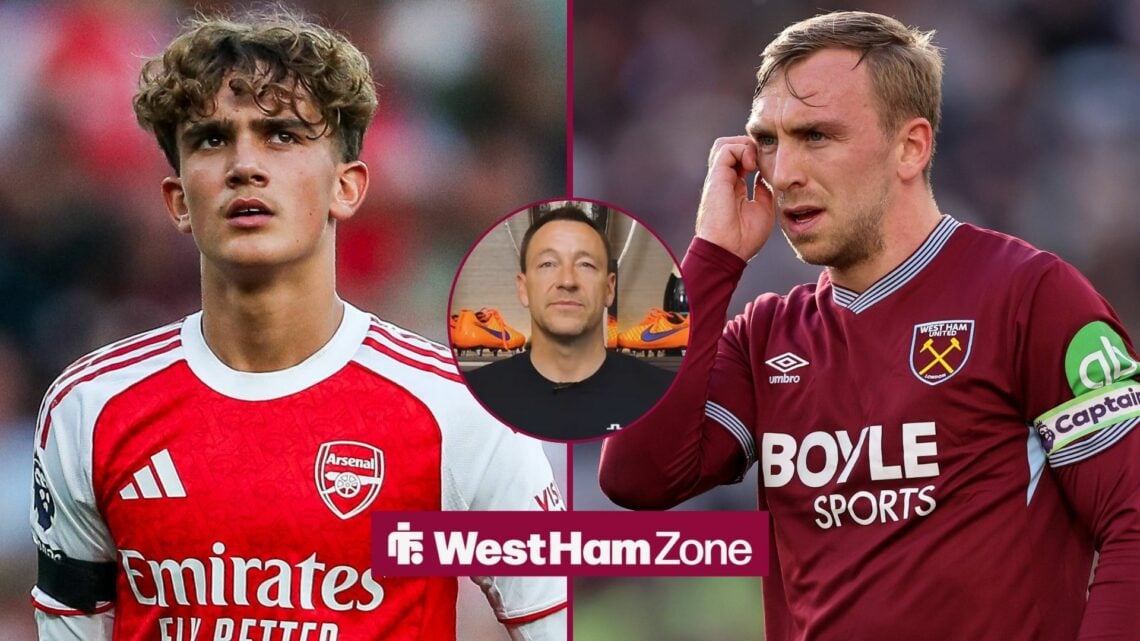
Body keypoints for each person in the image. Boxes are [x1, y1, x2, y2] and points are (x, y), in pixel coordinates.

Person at [598, 10, 1139, 641]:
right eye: (769, 141)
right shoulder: (767, 335)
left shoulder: (1030, 297)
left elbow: (1132, 520)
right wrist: (711, 258)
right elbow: (634, 475)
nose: (786, 172)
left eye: (818, 136)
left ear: (911, 147)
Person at [29, 9, 566, 641]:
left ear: (347, 186)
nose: (245, 166)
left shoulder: (461, 409)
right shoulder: (90, 409)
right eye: (211, 139)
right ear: (178, 200)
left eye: (282, 135)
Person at [466, 206, 675, 440]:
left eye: (585, 264)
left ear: (609, 288)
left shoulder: (663, 396)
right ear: (523, 289)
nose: (567, 281)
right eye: (548, 264)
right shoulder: (476, 396)